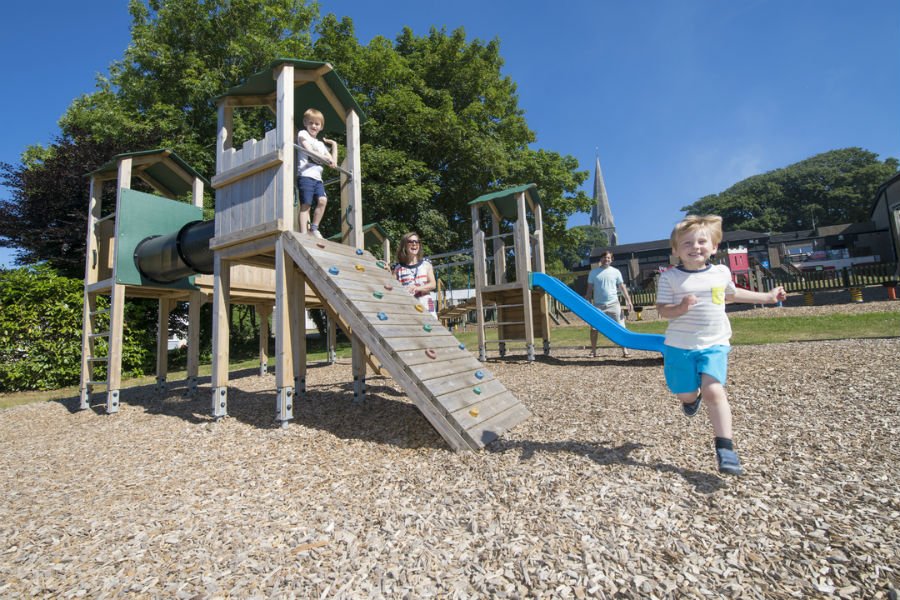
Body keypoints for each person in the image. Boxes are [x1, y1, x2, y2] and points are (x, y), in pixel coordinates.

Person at [655, 215, 786, 476]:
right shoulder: (670, 279)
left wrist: (768, 297)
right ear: (675, 251)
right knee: (686, 394)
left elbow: (732, 294)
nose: (695, 247)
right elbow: (662, 311)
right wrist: (680, 307)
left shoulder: (720, 273)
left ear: (714, 247)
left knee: (714, 391)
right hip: (680, 346)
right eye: (687, 243)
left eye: (702, 241)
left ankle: (725, 448)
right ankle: (691, 400)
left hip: (714, 343)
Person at [296, 108, 339, 238]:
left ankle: (314, 228)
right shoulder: (303, 134)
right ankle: (304, 233)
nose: (314, 126)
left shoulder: (320, 144)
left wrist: (335, 145)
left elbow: (333, 163)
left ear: (321, 127)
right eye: (311, 123)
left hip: (317, 179)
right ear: (305, 123)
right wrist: (324, 158)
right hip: (305, 176)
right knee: (306, 205)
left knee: (322, 200)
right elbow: (309, 151)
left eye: (317, 124)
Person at [585, 250, 634, 358]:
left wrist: (629, 301)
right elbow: (589, 289)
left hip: (614, 304)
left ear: (611, 260)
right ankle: (593, 351)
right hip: (598, 305)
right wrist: (587, 301)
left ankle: (625, 350)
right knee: (594, 328)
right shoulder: (593, 273)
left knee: (620, 327)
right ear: (600, 259)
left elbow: (622, 287)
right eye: (604, 257)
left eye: (608, 258)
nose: (606, 259)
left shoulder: (616, 272)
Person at [393, 232, 437, 318]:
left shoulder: (426, 264)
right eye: (410, 241)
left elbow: (433, 284)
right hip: (407, 305)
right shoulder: (398, 268)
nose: (414, 244)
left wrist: (417, 288)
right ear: (404, 245)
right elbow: (392, 287)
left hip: (426, 303)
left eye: (417, 242)